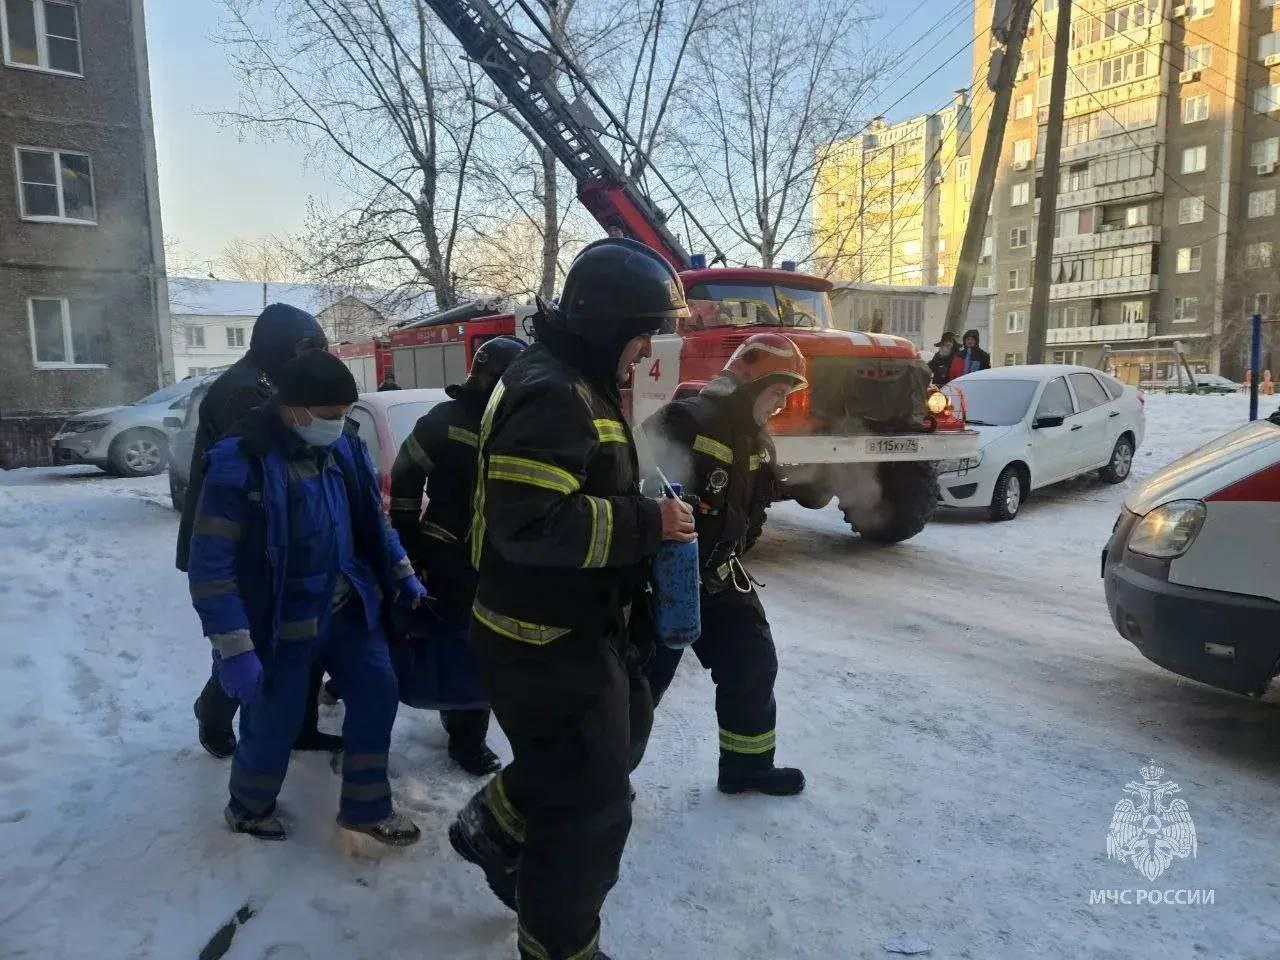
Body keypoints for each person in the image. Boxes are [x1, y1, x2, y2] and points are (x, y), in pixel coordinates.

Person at [448, 238, 696, 960]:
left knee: (607, 752)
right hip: (542, 641)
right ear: (607, 325)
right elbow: (529, 525)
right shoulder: (555, 391)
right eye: (643, 335)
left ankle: (491, 828)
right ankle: (560, 948)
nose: (647, 352)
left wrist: (649, 503)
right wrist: (649, 522)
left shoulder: (571, 381)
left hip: (570, 630)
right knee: (589, 810)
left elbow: (569, 490)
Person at [187, 349, 425, 844]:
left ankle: (365, 807)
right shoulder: (241, 464)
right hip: (281, 619)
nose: (339, 425)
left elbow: (373, 523)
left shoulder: (344, 450)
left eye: (344, 415)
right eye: (330, 416)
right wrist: (234, 648)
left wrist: (402, 574)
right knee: (275, 719)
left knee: (379, 690)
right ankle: (249, 808)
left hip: (347, 604)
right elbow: (212, 568)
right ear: (293, 409)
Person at [642, 332, 807, 797]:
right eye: (777, 393)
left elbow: (753, 510)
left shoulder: (755, 439)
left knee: (752, 664)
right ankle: (600, 783)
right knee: (640, 687)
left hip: (719, 574)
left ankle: (746, 768)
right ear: (752, 380)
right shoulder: (685, 419)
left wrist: (736, 542)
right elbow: (632, 482)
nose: (779, 404)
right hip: (667, 582)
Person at [176, 303, 340, 759]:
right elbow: (260, 468)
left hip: (282, 539)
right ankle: (214, 711)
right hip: (241, 543)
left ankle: (301, 726)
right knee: (248, 642)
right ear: (280, 347)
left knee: (300, 637)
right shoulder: (242, 391)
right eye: (306, 349)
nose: (312, 359)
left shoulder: (274, 381)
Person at [386, 335, 527, 776]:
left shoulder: (520, 425)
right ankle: (465, 737)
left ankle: (464, 726)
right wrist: (409, 543)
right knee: (461, 643)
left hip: (501, 557)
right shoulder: (443, 421)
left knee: (484, 646)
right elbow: (404, 480)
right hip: (449, 553)